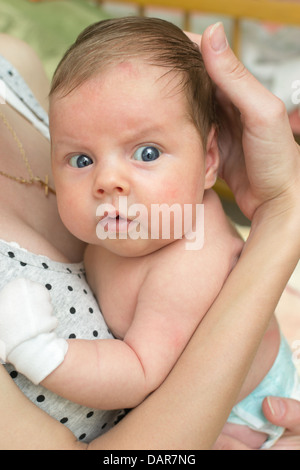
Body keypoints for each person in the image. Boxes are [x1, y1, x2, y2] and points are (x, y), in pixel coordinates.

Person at [0, 17, 299, 450]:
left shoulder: (188, 263)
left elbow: (138, 372)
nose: (108, 180)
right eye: (81, 160)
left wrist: (41, 352)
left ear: (209, 159)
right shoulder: (131, 224)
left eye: (146, 152)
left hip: (245, 419)